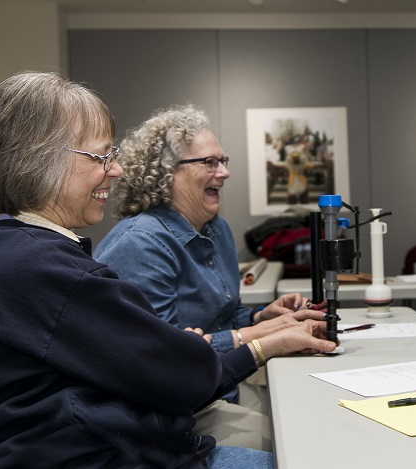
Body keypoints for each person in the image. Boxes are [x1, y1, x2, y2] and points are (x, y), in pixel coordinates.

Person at [0, 71, 337, 469]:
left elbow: (150, 361)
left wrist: (192, 349)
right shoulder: (40, 267)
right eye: (102, 156)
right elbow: (180, 375)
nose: (115, 170)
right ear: (37, 161)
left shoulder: (7, 254)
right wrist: (202, 352)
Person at [93, 104, 324, 451]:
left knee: (307, 412)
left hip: (222, 386)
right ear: (166, 173)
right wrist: (264, 334)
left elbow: (224, 317)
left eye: (223, 161)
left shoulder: (217, 229)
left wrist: (263, 315)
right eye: (209, 162)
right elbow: (165, 359)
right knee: (296, 444)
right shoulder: (140, 244)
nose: (224, 172)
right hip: (174, 413)